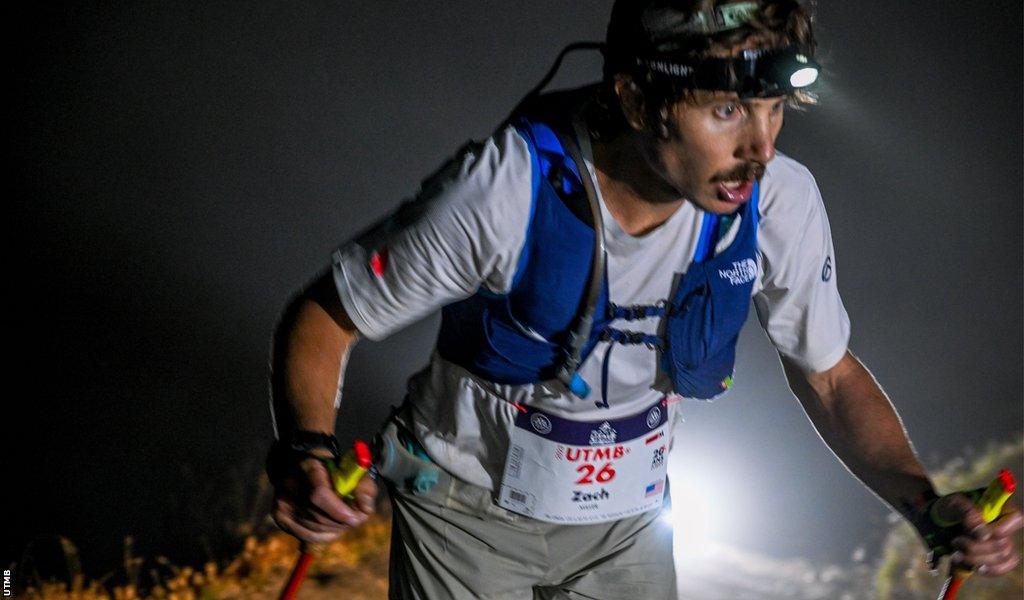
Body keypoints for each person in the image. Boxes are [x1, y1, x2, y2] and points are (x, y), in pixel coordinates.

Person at [265, 1, 1022, 598]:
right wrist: (305, 451)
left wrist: (926, 507)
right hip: (467, 514)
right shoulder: (507, 188)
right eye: (725, 111)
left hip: (628, 526)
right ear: (635, 96)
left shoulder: (780, 202)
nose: (759, 148)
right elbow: (327, 317)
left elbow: (828, 375)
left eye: (771, 107)